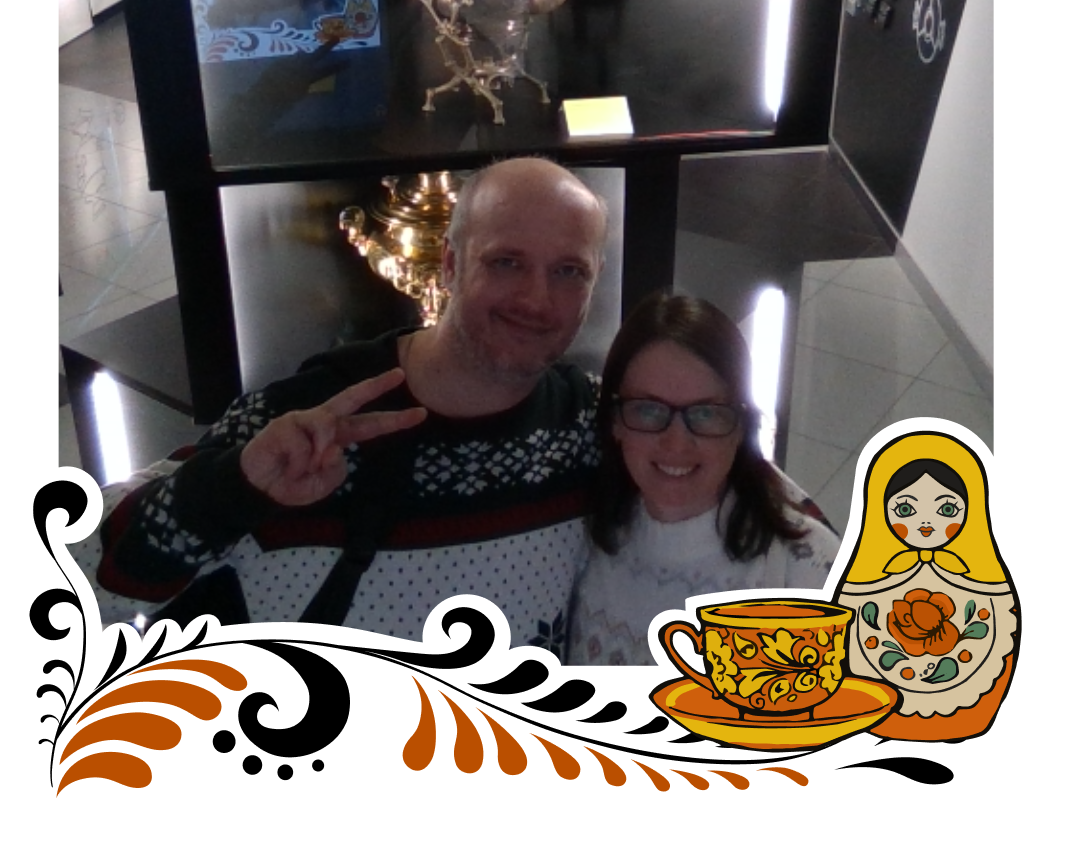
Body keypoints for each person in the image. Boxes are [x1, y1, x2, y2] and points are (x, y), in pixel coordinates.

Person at [74, 157, 608, 659]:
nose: (536, 300)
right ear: (450, 263)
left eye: (569, 271)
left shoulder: (598, 425)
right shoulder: (308, 418)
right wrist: (232, 489)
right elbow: (82, 583)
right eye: (506, 263)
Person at [568, 293, 840, 666]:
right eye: (648, 409)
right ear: (614, 421)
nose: (676, 443)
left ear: (741, 427)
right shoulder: (583, 540)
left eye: (707, 413)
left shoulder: (807, 572)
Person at [835, 432, 1019, 741]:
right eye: (906, 510)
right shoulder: (864, 584)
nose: (925, 524)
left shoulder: (990, 587)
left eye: (946, 510)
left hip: (970, 716)